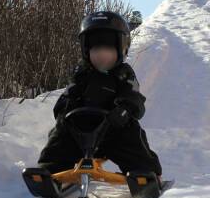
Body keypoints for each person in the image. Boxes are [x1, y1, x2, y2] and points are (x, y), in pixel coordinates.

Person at [37, 11, 162, 180]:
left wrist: (124, 110)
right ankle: (49, 170)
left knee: (132, 134)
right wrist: (63, 110)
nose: (101, 54)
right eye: (96, 49)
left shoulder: (123, 74)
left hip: (113, 129)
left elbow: (134, 98)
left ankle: (146, 173)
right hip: (78, 130)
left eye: (108, 49)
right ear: (86, 51)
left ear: (121, 49)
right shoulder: (82, 74)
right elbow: (68, 95)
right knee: (59, 134)